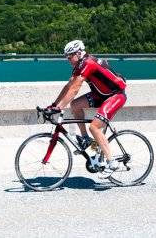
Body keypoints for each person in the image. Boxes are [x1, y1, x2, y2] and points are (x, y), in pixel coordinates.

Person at [47, 40, 127, 179]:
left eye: (69, 56)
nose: (68, 59)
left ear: (78, 53)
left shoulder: (88, 63)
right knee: (75, 105)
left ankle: (112, 162)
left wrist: (60, 108)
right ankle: (85, 139)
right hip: (101, 94)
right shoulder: (80, 64)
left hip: (115, 95)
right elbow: (68, 86)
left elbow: (75, 89)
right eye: (66, 57)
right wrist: (54, 104)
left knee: (94, 127)